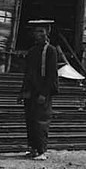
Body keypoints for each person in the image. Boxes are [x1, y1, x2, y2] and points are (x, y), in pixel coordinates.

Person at [20, 19, 59, 160]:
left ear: (47, 32)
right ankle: (33, 148)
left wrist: (44, 93)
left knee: (41, 121)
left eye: (41, 31)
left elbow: (51, 74)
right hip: (32, 91)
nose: (39, 34)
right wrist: (24, 91)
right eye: (36, 31)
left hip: (43, 90)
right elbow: (28, 73)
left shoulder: (50, 51)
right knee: (30, 120)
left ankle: (42, 150)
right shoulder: (32, 51)